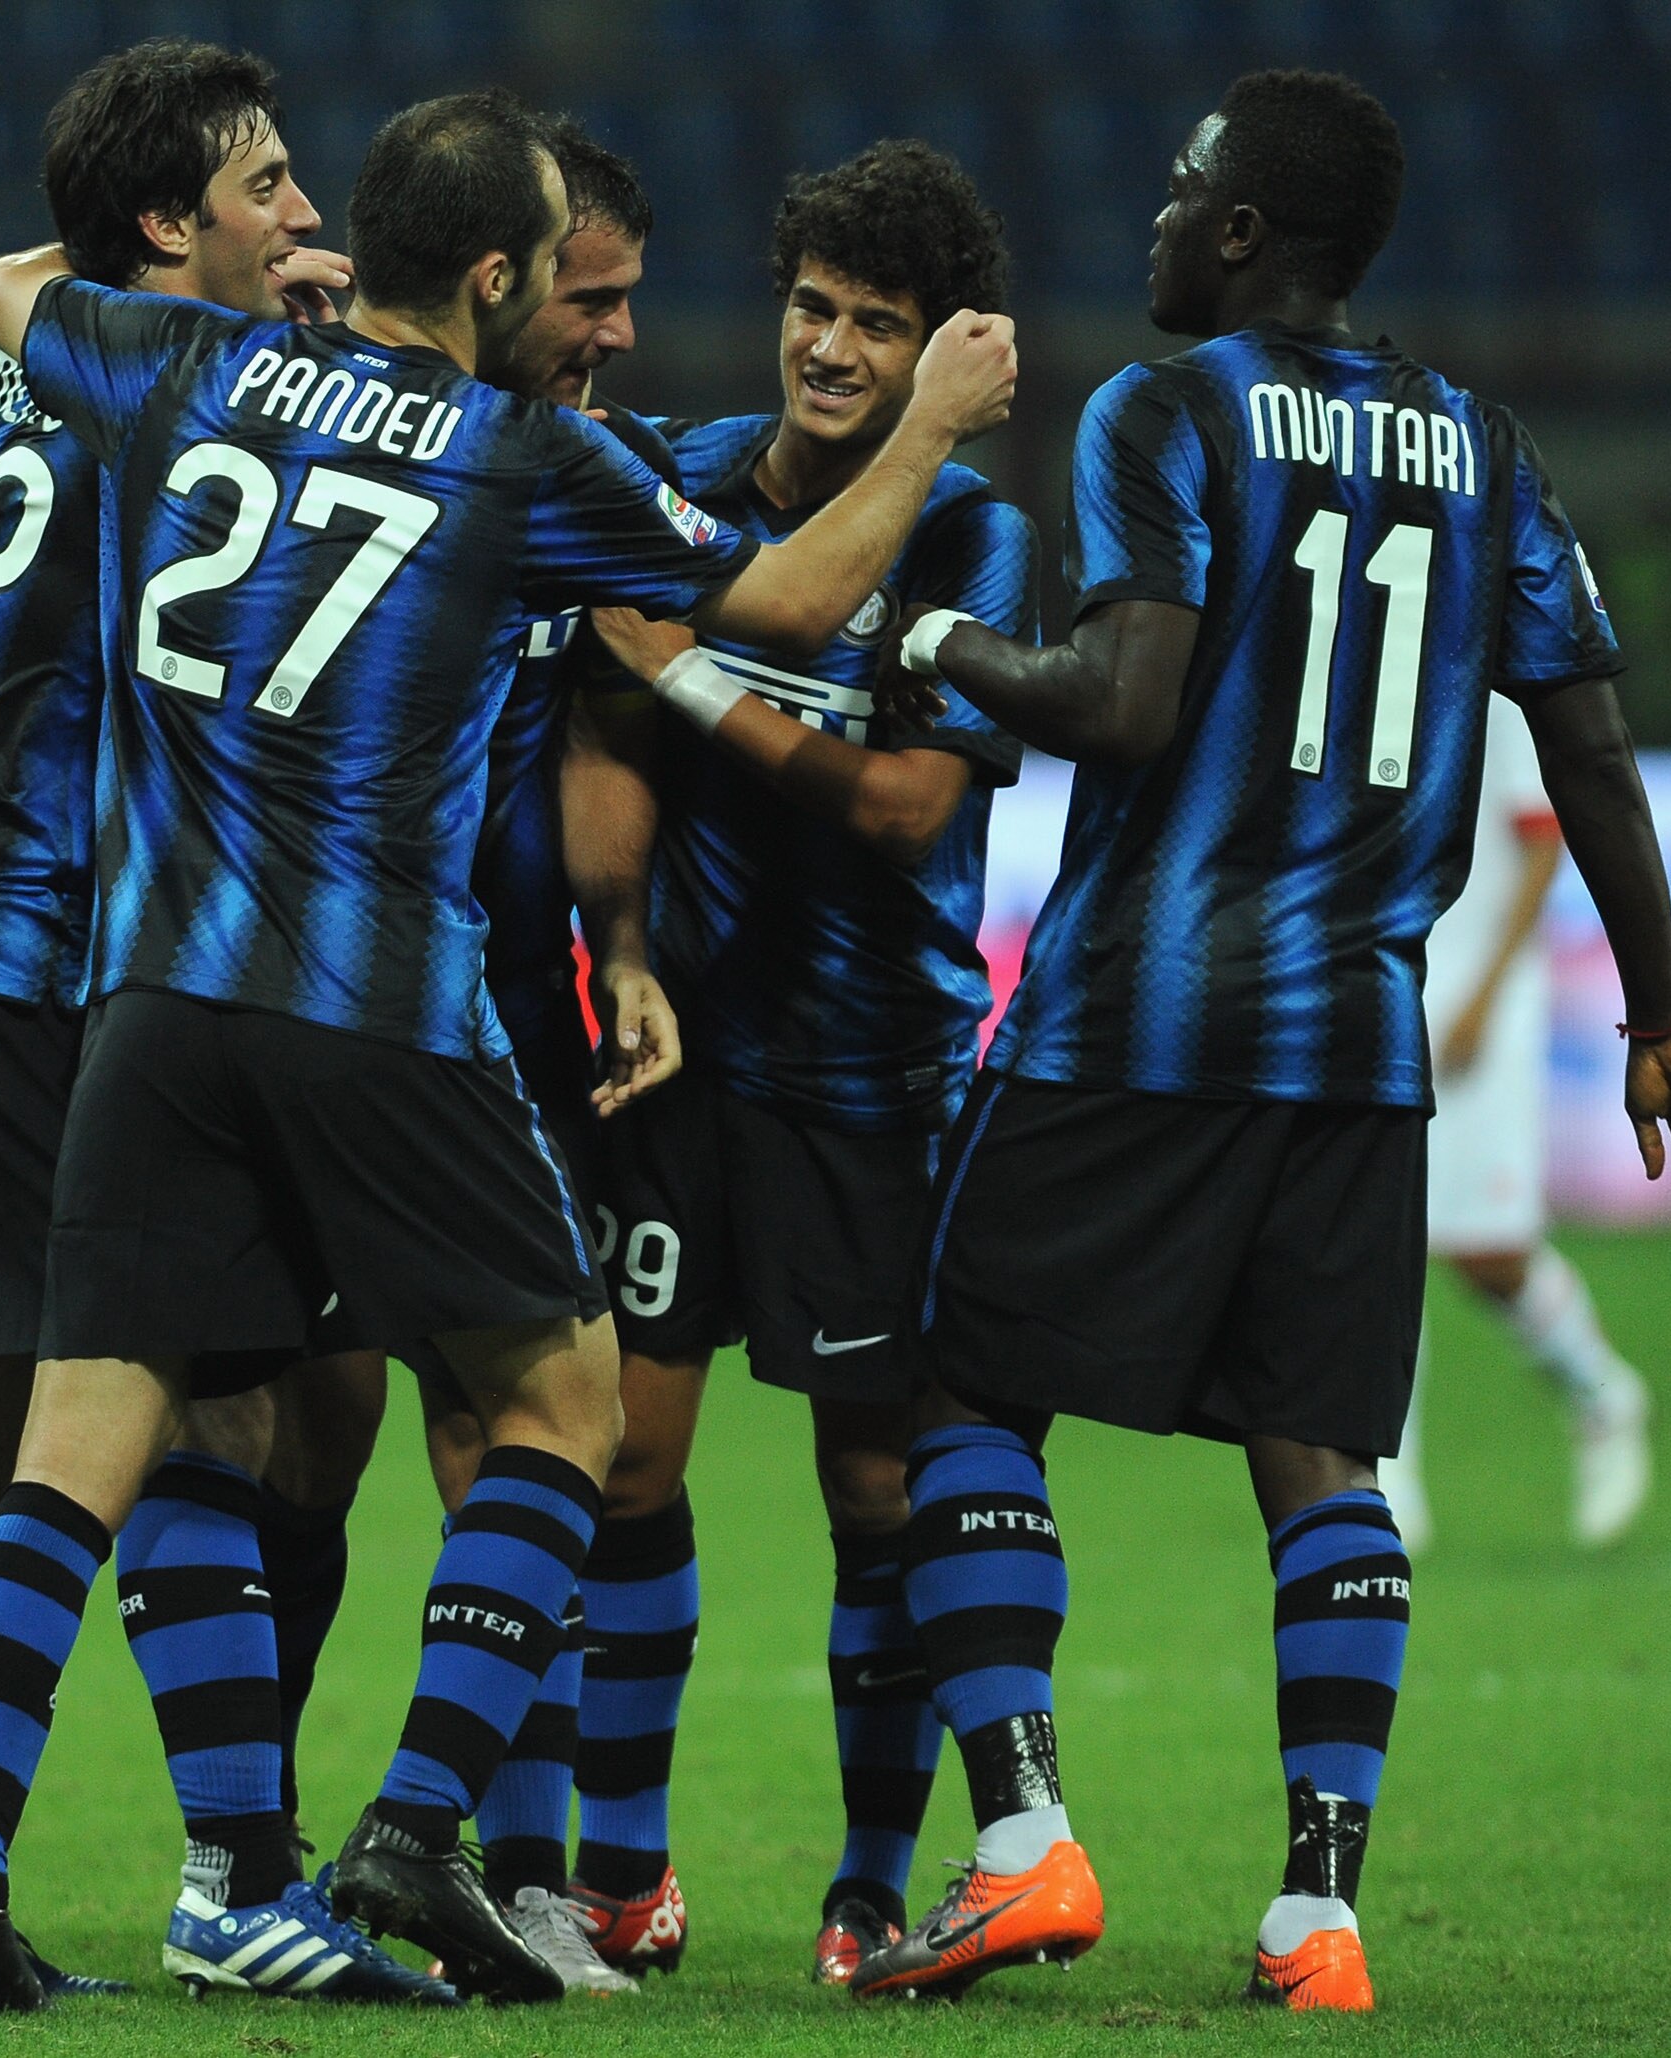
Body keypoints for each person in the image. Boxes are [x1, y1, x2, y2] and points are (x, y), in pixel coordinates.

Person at [0, 88, 1016, 2012]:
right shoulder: (523, 458)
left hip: (150, 1004)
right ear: (498, 277)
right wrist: (929, 427)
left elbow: (3, 283)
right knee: (562, 1404)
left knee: (76, 1447)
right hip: (372, 1011)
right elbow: (784, 600)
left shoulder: (193, 359)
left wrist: (278, 296)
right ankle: (424, 1824)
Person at [866, 70, 1671, 2013]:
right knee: (1323, 1458)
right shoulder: (1479, 449)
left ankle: (1020, 1846)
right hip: (1356, 1047)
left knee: (967, 1406)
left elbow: (1126, 699)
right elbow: (1587, 738)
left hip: (1138, 1018)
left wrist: (933, 652)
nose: (1161, 222)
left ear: (1246, 230)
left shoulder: (1162, 412)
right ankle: (1318, 1912)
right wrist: (1660, 1016)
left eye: (1184, 194)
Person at [0, 40, 439, 2007]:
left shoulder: (38, 364)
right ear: (170, 224)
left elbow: (10, 280)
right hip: (40, 971)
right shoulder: (187, 402)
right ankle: (238, 1882)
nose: (305, 218)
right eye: (267, 189)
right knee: (205, 1404)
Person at [492, 139, 1039, 1992]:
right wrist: (624, 947)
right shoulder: (677, 473)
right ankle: (629, 1875)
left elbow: (900, 809)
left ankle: (875, 1883)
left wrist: (695, 677)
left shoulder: (973, 532)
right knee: (628, 1461)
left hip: (877, 1064)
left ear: (929, 352)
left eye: (876, 327)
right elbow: (605, 736)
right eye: (812, 306)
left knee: (872, 1491)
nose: (827, 348)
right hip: (691, 1061)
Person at [401, 113, 670, 1997]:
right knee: (306, 1431)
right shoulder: (400, 432)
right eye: (593, 295)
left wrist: (623, 941)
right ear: (499, 276)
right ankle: (273, 1854)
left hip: (500, 1008)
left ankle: (518, 1863)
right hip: (362, 1008)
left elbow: (590, 718)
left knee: (494, 1432)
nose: (621, 334)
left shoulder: (578, 472)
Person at [1377, 692, 1654, 1552]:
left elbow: (1543, 839)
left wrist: (1488, 993)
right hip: (1387, 987)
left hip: (1480, 998)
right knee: (1380, 1240)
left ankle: (1603, 1396)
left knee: (1486, 1251)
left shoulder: (1489, 690)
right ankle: (1388, 1483)